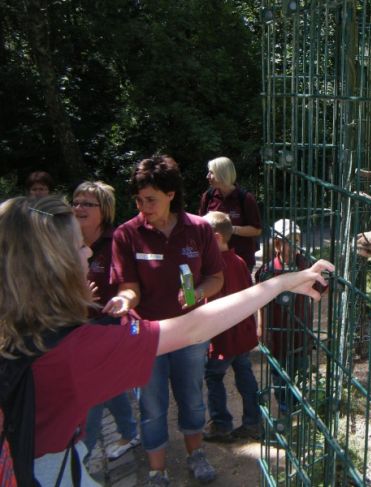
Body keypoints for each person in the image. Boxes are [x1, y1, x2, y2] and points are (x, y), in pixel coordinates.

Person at [0, 195, 333, 487]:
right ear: (52, 267)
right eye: (78, 246)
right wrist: (279, 285)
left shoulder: (20, 330)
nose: (87, 251)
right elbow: (193, 329)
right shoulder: (73, 351)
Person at [105, 155, 225, 486]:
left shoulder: (199, 229)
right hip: (146, 335)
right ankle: (158, 472)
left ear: (171, 194)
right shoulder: (126, 234)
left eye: (151, 200)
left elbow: (217, 278)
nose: (143, 207)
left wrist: (197, 293)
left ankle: (195, 455)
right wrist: (123, 300)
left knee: (191, 396)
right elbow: (129, 287)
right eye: (139, 200)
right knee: (152, 405)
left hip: (190, 332)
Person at [71, 181, 141, 463]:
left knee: (92, 390)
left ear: (104, 210)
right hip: (75, 326)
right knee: (109, 387)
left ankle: (83, 455)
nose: (78, 208)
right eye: (75, 202)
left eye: (87, 204)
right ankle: (129, 431)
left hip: (108, 327)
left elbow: (128, 286)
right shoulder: (67, 241)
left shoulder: (116, 243)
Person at [201, 212, 261, 443]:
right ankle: (253, 422)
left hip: (222, 338)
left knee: (213, 376)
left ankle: (221, 424)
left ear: (215, 238)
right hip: (242, 335)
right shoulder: (239, 262)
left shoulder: (211, 269)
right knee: (244, 373)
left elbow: (197, 299)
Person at [255, 219, 312, 416]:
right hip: (277, 332)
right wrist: (261, 327)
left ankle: (297, 408)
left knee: (299, 371)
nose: (295, 244)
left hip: (299, 330)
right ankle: (285, 408)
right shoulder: (268, 270)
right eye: (289, 240)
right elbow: (260, 301)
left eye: (297, 239)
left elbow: (322, 286)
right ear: (277, 244)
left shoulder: (305, 264)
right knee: (278, 374)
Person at [198, 156, 262, 271]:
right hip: (214, 258)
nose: (207, 176)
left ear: (221, 174)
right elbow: (201, 225)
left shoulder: (245, 198)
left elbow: (256, 230)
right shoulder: (208, 197)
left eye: (211, 173)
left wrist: (229, 229)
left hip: (241, 259)